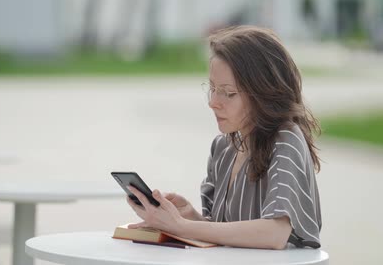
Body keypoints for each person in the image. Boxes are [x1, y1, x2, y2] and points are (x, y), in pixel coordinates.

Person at [126, 26, 322, 249]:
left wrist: (180, 226)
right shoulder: (223, 148)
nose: (213, 102)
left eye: (228, 93)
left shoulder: (286, 141)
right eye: (212, 88)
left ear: (265, 92)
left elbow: (274, 233)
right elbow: (225, 234)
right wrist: (190, 217)